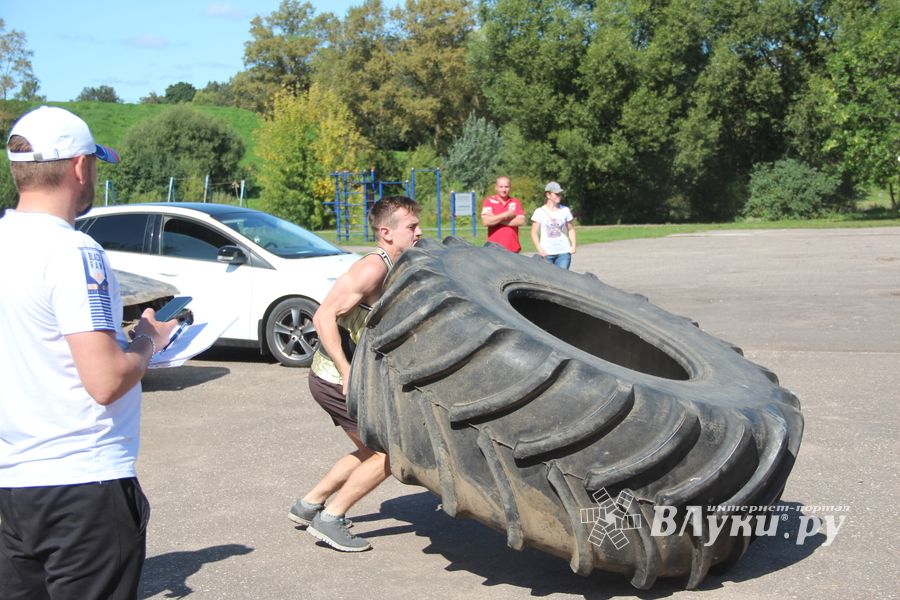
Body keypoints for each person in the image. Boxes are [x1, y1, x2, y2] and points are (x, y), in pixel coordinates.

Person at [0, 106, 178, 599]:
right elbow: (104, 381)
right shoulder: (74, 252)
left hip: (15, 480)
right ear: (81, 167)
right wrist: (146, 341)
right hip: (83, 482)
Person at [288, 196, 422, 552]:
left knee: (369, 450)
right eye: (411, 227)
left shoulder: (397, 263)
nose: (419, 232)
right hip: (335, 379)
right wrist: (347, 371)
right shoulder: (372, 268)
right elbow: (322, 317)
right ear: (386, 232)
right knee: (392, 453)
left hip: (344, 379)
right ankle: (332, 517)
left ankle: (308, 504)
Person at [530, 181, 577, 270]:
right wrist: (539, 249)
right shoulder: (539, 212)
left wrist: (573, 245)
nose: (559, 196)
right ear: (548, 195)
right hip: (547, 253)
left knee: (562, 279)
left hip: (563, 252)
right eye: (556, 194)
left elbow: (571, 229)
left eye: (560, 194)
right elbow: (534, 233)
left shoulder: (565, 210)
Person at [481, 176, 525, 252]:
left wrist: (495, 218)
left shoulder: (515, 202)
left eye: (506, 187)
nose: (504, 190)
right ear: (496, 187)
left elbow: (521, 221)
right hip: (494, 249)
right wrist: (506, 215)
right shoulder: (489, 201)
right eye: (501, 187)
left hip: (513, 248)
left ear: (510, 188)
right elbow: (486, 222)